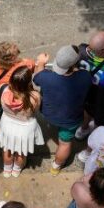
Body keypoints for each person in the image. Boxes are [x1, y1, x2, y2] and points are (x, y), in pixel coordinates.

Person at [32, 46, 91, 174]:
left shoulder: (47, 77)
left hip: (49, 115)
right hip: (71, 120)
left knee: (58, 129)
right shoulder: (85, 77)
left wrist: (41, 62)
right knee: (64, 143)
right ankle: (56, 166)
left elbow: (36, 78)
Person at [0, 66, 43, 178]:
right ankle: (16, 170)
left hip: (7, 125)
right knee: (21, 153)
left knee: (7, 150)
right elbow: (37, 111)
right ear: (29, 82)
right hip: (26, 129)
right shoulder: (35, 96)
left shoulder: (3, 89)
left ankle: (7, 170)